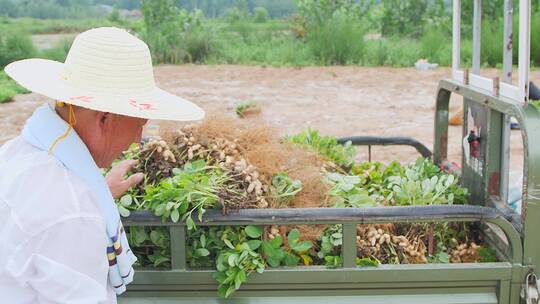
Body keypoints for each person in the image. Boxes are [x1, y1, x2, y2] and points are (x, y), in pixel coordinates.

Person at [0, 27, 204, 303]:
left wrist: (98, 193)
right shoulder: (74, 215)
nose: (137, 140)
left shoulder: (17, 152)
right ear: (104, 119)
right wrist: (84, 202)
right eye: (139, 125)